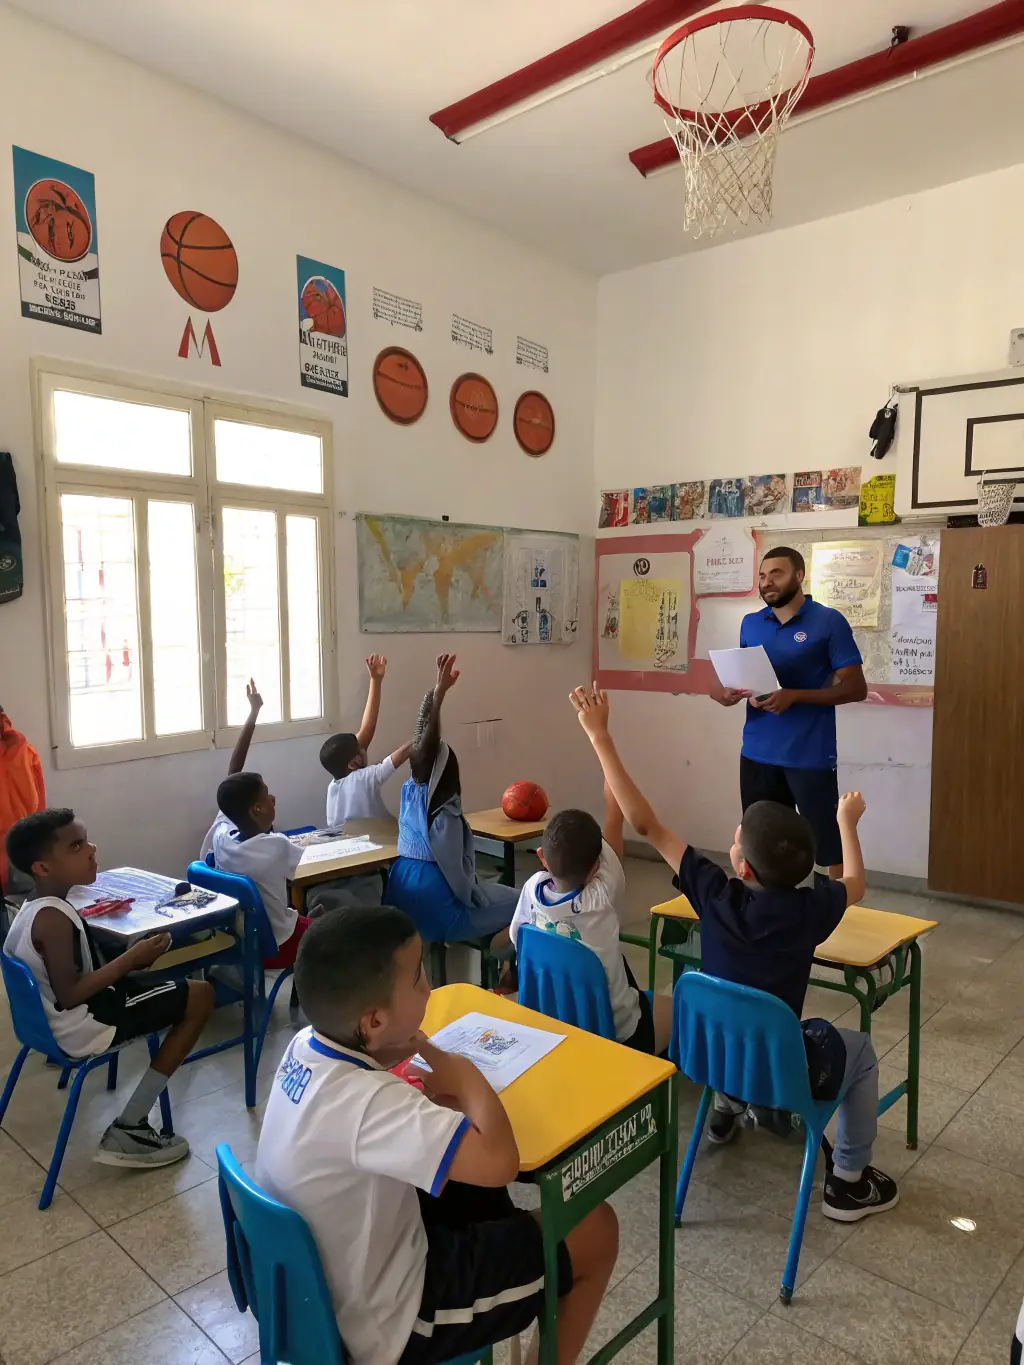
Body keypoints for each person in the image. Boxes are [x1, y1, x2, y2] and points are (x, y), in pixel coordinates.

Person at [569, 682, 899, 1224]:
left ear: (741, 866)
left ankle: (726, 1102)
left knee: (726, 1012)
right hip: (780, 1069)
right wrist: (845, 823)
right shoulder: (812, 908)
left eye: (738, 836)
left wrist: (599, 736)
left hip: (706, 1054)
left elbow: (646, 824)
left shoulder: (714, 893)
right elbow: (857, 883)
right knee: (858, 1051)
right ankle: (848, 1181)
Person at [255, 906, 618, 1365]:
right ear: (372, 1022)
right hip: (395, 1323)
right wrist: (467, 1078)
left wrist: (387, 1055)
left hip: (325, 1291)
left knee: (473, 1194)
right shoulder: (370, 1102)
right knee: (596, 1228)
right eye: (417, 979)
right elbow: (500, 1163)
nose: (429, 987)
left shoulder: (304, 1044)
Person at [4, 809, 214, 1167]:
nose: (91, 849)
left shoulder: (32, 908)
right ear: (42, 868)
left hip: (49, 1027)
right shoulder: (53, 919)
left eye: (86, 840)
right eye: (76, 845)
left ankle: (132, 1122)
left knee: (155, 978)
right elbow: (70, 994)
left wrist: (130, 961)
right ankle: (130, 1125)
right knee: (201, 995)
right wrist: (129, 961)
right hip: (85, 1024)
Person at [712, 546, 867, 878]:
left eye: (776, 574)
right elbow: (740, 679)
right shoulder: (751, 624)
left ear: (799, 576)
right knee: (760, 842)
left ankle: (837, 912)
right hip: (756, 752)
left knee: (827, 845)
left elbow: (856, 688)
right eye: (762, 576)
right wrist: (729, 694)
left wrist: (794, 696)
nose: (767, 583)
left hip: (808, 755)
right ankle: (770, 911)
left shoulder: (828, 622)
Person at [499, 784, 672, 1053]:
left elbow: (515, 935)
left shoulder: (531, 889)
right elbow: (612, 842)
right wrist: (613, 806)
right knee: (679, 1009)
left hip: (552, 1023)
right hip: (613, 1036)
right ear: (596, 867)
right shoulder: (600, 900)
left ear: (542, 857)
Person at [386, 654, 518, 943]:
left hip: (403, 890)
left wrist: (437, 693)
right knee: (525, 903)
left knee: (498, 895)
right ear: (450, 778)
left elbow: (423, 742)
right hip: (438, 906)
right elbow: (459, 883)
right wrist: (477, 895)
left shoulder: (412, 792)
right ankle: (504, 966)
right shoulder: (444, 816)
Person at [201, 680, 307, 968]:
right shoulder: (275, 846)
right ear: (257, 808)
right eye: (267, 795)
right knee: (338, 928)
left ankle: (311, 917)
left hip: (247, 940)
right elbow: (313, 866)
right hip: (278, 944)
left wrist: (253, 713)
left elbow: (231, 776)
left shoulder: (221, 835)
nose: (273, 797)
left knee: (311, 912)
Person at [320, 655, 413, 826]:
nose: (365, 745)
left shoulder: (333, 787)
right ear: (354, 763)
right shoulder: (363, 777)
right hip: (379, 844)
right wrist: (423, 735)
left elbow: (366, 730)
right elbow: (396, 759)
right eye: (361, 748)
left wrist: (375, 680)